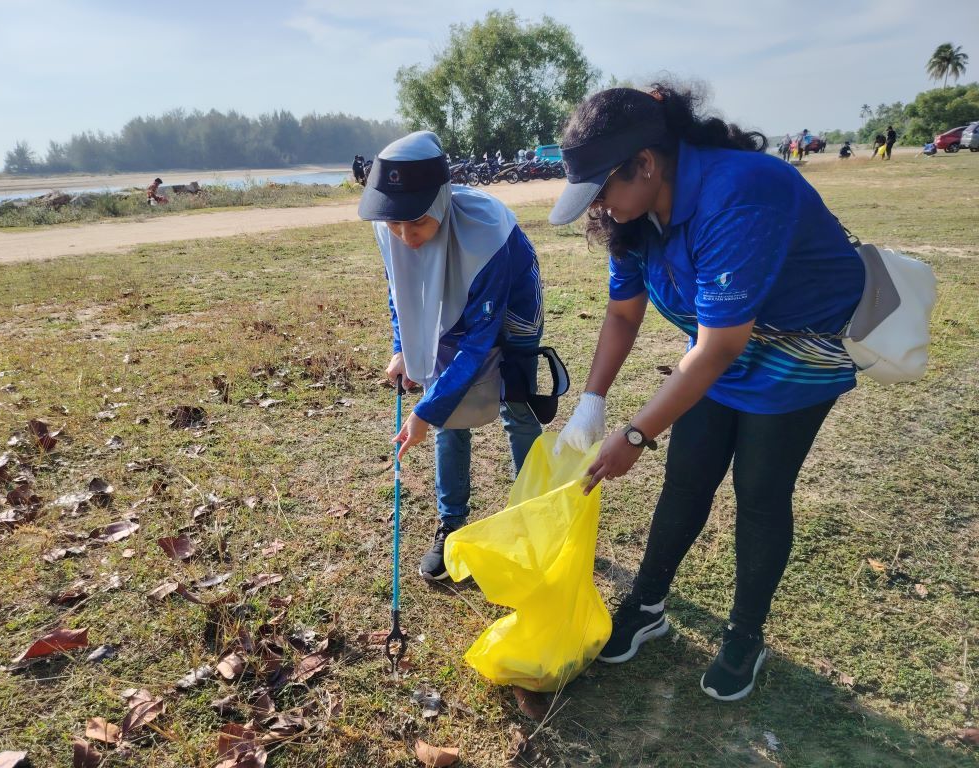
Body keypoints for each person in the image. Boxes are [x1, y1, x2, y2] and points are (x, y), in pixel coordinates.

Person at [548, 85, 865, 702]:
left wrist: (637, 433)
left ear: (646, 163)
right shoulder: (636, 217)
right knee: (689, 473)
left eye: (603, 191)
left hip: (797, 350)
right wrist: (593, 401)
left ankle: (745, 635)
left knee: (760, 488)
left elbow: (719, 348)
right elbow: (622, 315)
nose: (601, 211)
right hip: (719, 343)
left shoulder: (740, 191)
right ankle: (647, 604)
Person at [358, 131, 545, 582]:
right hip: (445, 313)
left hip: (507, 311)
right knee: (447, 418)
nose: (406, 237)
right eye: (395, 226)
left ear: (441, 200)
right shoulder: (393, 228)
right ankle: (452, 526)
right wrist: (404, 347)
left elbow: (480, 341)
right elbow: (398, 292)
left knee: (515, 407)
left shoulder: (487, 231)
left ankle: (535, 520)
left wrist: (426, 410)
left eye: (416, 223)